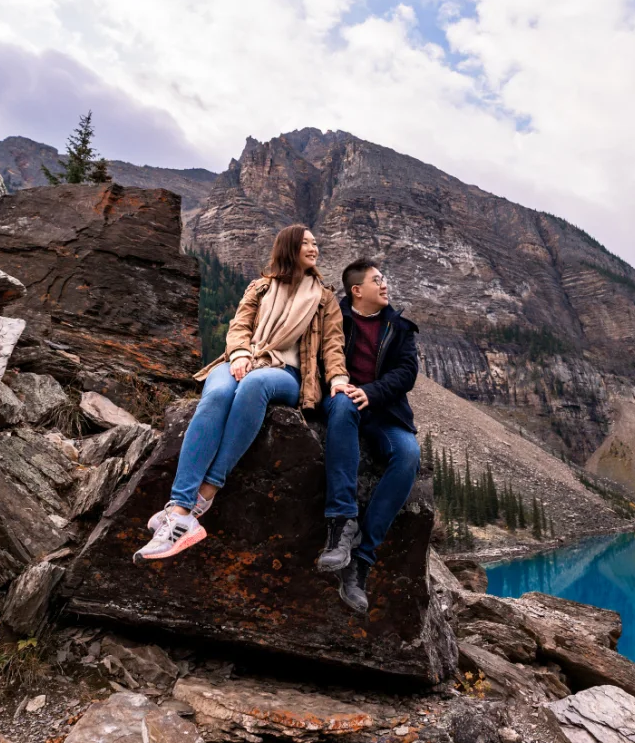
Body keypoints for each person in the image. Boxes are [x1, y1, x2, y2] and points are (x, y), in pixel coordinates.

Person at [134, 225, 348, 564]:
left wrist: (337, 378)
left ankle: (208, 491)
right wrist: (240, 355)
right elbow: (240, 326)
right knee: (217, 395)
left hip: (287, 374)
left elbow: (333, 346)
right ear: (290, 247)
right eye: (306, 243)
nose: (314, 248)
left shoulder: (324, 298)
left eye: (316, 243)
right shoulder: (260, 287)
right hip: (243, 359)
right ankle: (179, 510)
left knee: (254, 386)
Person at [317, 258, 421, 613]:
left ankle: (361, 559)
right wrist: (346, 388)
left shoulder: (399, 327)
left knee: (407, 455)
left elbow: (407, 373)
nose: (385, 284)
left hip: (385, 411)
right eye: (378, 280)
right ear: (357, 290)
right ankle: (341, 524)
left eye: (385, 278)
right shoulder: (334, 317)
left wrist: (372, 393)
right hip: (341, 400)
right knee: (344, 407)